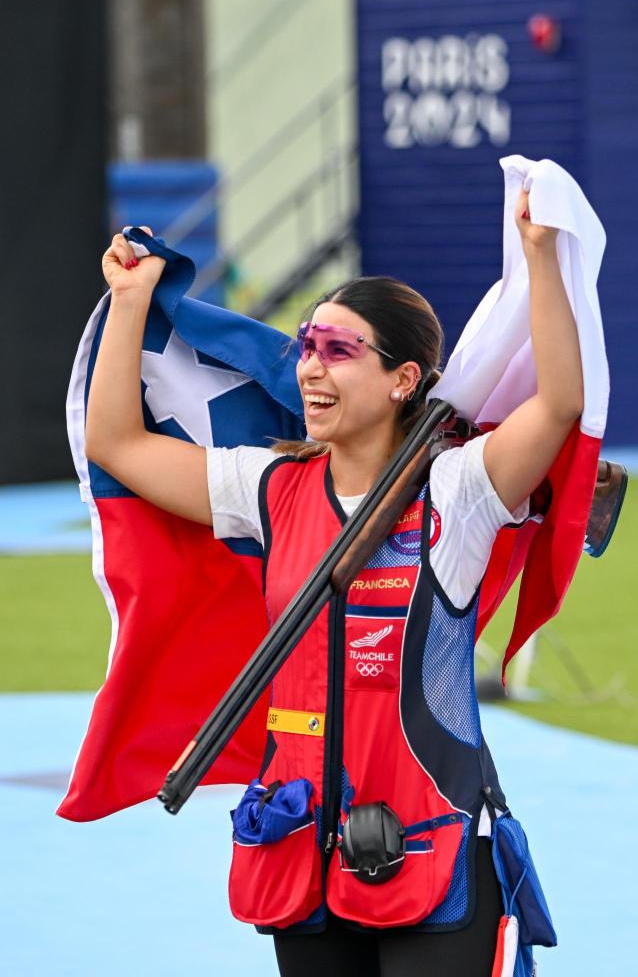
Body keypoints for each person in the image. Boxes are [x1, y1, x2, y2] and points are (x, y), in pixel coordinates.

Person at [85, 185, 584, 977]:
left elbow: (559, 404)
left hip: (434, 846)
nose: (310, 369)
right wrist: (131, 300)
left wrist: (541, 257)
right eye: (307, 346)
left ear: (403, 378)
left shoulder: (456, 492)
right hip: (299, 850)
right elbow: (116, 442)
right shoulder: (270, 490)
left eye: (339, 351)